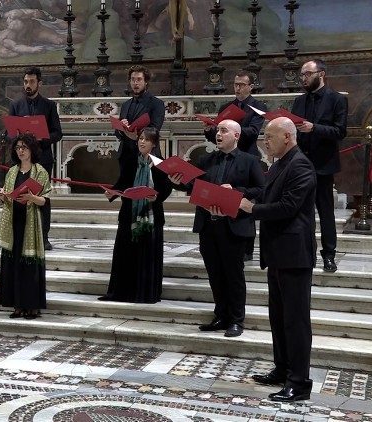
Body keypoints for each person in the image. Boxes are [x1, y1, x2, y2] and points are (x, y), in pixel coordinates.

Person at [240, 117, 317, 402]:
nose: (264, 142)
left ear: (287, 136)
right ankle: (283, 368)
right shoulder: (280, 164)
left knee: (296, 321)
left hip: (295, 254)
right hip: (278, 252)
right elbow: (264, 192)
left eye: (269, 137)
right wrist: (238, 194)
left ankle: (299, 382)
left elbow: (288, 206)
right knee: (279, 316)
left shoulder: (301, 165)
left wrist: (252, 209)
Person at [170, 120, 264, 337]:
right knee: (215, 274)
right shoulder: (206, 160)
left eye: (224, 131)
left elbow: (261, 190)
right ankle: (221, 315)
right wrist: (176, 180)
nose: (218, 134)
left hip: (234, 226)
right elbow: (193, 186)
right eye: (217, 131)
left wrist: (235, 190)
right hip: (208, 225)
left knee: (233, 275)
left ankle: (237, 320)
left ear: (237, 136)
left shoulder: (250, 161)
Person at [100, 127, 172, 303]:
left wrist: (156, 196)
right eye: (140, 138)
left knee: (146, 255)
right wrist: (113, 193)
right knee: (125, 253)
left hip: (150, 215)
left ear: (153, 144)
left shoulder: (160, 164)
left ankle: (145, 293)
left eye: (146, 140)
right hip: (129, 213)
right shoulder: (131, 160)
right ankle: (121, 292)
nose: (141, 142)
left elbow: (166, 188)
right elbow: (122, 183)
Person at [204, 70, 267, 262]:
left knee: (246, 201)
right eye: (235, 84)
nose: (238, 88)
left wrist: (234, 129)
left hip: (247, 157)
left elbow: (254, 132)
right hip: (227, 157)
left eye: (241, 85)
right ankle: (225, 237)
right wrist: (210, 130)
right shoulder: (227, 106)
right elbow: (217, 137)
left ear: (250, 86)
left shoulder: (258, 107)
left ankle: (247, 247)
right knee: (226, 196)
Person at [291, 59, 348, 273]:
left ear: (321, 74)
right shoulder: (299, 101)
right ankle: (305, 253)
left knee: (325, 213)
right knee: (300, 212)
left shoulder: (336, 99)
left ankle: (329, 255)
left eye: (307, 74)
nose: (303, 78)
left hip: (323, 165)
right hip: (300, 166)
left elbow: (340, 131)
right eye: (302, 75)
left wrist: (314, 128)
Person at [0, 134, 51, 320]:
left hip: (31, 224)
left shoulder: (40, 172)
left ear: (32, 150)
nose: (20, 150)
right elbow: (7, 196)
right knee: (14, 264)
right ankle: (17, 305)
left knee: (29, 266)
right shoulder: (12, 172)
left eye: (24, 147)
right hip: (13, 222)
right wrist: (2, 196)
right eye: (18, 147)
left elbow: (46, 201)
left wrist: (32, 198)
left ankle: (32, 306)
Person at [8, 67, 62, 250]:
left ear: (39, 83)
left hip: (42, 160)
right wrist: (18, 137)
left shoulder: (49, 105)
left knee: (42, 198)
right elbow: (9, 134)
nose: (28, 85)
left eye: (31, 82)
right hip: (21, 160)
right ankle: (17, 234)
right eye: (25, 82)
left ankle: (44, 237)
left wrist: (41, 138)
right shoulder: (16, 105)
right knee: (19, 197)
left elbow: (58, 133)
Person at [116, 65, 166, 158]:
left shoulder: (156, 103)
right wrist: (121, 128)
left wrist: (135, 136)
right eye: (133, 79)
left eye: (139, 79)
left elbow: (154, 131)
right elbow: (118, 133)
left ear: (146, 81)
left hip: (147, 154)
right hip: (126, 156)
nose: (135, 83)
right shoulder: (125, 105)